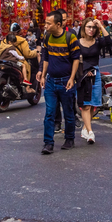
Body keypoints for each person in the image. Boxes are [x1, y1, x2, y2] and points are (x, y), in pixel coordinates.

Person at [37, 10, 80, 154]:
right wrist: (42, 75)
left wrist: (72, 78)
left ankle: (69, 138)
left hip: (65, 81)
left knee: (68, 112)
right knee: (49, 113)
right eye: (46, 23)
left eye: (49, 24)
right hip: (50, 81)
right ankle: (48, 143)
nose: (46, 26)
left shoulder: (70, 37)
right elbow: (46, 57)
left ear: (58, 24)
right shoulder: (47, 37)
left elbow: (76, 59)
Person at [76, 18, 111, 145]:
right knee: (86, 104)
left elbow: (108, 41)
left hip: (95, 73)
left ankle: (85, 128)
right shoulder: (77, 43)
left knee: (94, 104)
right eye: (89, 27)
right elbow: (74, 60)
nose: (91, 30)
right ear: (83, 28)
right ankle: (90, 132)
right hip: (83, 74)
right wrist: (85, 70)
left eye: (93, 27)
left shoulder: (97, 42)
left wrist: (101, 25)